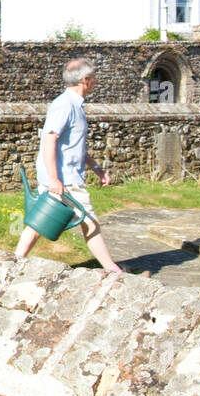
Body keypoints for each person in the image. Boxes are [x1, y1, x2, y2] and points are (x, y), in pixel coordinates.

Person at [15, 58, 123, 273]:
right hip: (65, 181)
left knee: (38, 223)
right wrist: (54, 179)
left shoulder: (74, 105)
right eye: (93, 79)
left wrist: (96, 168)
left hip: (63, 178)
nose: (95, 82)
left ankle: (12, 264)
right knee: (90, 223)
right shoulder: (65, 105)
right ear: (85, 80)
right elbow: (49, 140)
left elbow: (74, 146)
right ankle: (113, 271)